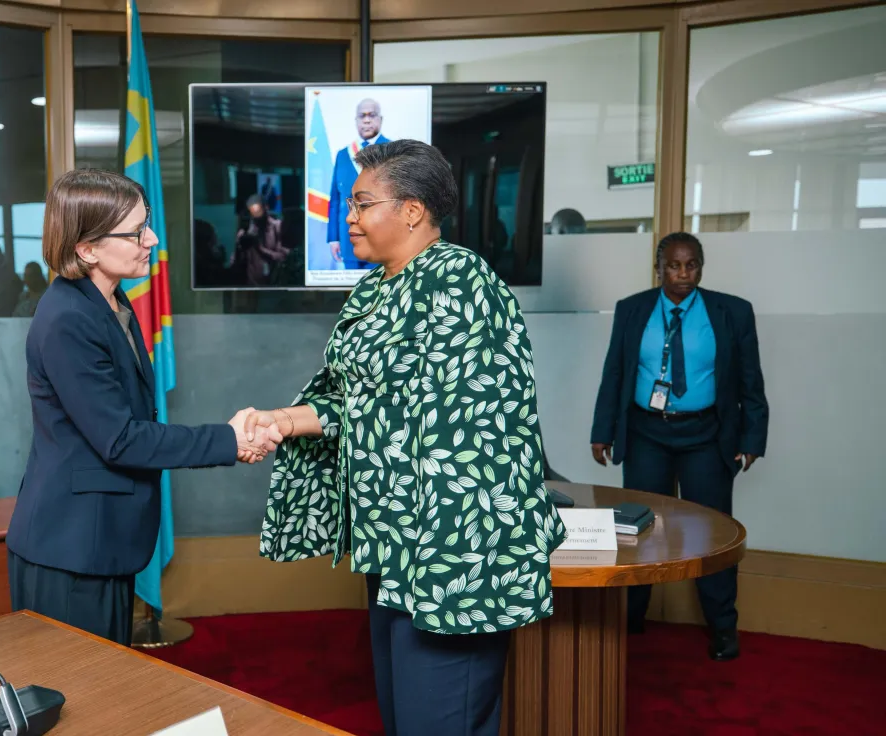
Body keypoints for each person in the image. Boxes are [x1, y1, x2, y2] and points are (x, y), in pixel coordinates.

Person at [243, 140, 565, 736]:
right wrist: (282, 420)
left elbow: (462, 427)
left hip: (452, 555)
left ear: (412, 210)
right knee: (406, 718)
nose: (349, 216)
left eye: (362, 203)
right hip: (393, 546)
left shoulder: (461, 282)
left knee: (439, 722)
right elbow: (356, 399)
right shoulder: (376, 289)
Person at [6, 168, 282, 646]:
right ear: (86, 248)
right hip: (70, 550)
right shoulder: (68, 319)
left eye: (147, 222)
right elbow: (120, 438)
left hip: (100, 540)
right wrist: (230, 439)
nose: (151, 238)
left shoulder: (111, 301)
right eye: (136, 231)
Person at [589, 231, 768, 662]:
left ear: (701, 267)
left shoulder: (732, 312)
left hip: (707, 436)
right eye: (674, 265)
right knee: (636, 532)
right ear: (659, 267)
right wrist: (603, 430)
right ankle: (630, 619)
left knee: (713, 533)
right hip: (647, 433)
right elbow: (615, 372)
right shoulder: (633, 310)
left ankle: (723, 627)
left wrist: (752, 438)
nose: (683, 273)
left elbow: (750, 380)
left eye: (692, 265)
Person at [327, 98, 390, 271]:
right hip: (349, 239)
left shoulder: (393, 151)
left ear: (380, 119)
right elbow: (335, 199)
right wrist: (334, 238)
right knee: (354, 295)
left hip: (382, 239)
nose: (367, 120)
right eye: (362, 116)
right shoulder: (343, 154)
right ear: (356, 120)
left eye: (372, 115)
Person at [232, 194, 288, 286]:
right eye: (253, 213)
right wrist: (239, 247)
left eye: (258, 212)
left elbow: (283, 257)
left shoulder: (277, 227)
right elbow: (235, 262)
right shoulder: (247, 230)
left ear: (266, 208)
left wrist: (260, 248)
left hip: (274, 283)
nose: (256, 217)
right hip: (251, 284)